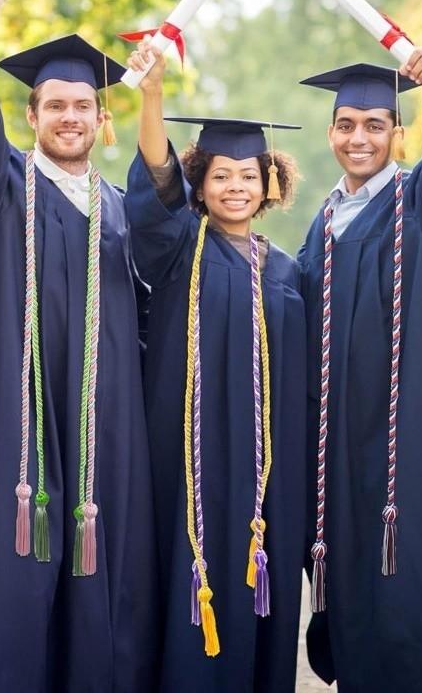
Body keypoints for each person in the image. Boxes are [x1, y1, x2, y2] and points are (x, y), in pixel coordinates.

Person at [0, 0, 158, 692]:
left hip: (107, 427)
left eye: (82, 107)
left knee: (106, 579)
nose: (69, 116)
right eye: (54, 105)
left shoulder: (124, 214)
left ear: (103, 121)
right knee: (20, 571)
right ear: (31, 115)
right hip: (17, 423)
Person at [297, 55, 422, 692]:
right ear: (330, 133)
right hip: (340, 448)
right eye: (346, 124)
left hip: (410, 439)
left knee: (413, 584)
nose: (360, 138)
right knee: (354, 589)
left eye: (376, 125)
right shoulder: (320, 225)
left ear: (398, 133)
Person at [123, 40, 307, 692]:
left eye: (248, 175)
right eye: (221, 174)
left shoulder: (289, 271)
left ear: (269, 183)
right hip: (190, 472)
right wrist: (152, 98)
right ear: (200, 183)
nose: (236, 185)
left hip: (267, 485)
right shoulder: (179, 250)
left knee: (260, 613)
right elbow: (155, 183)